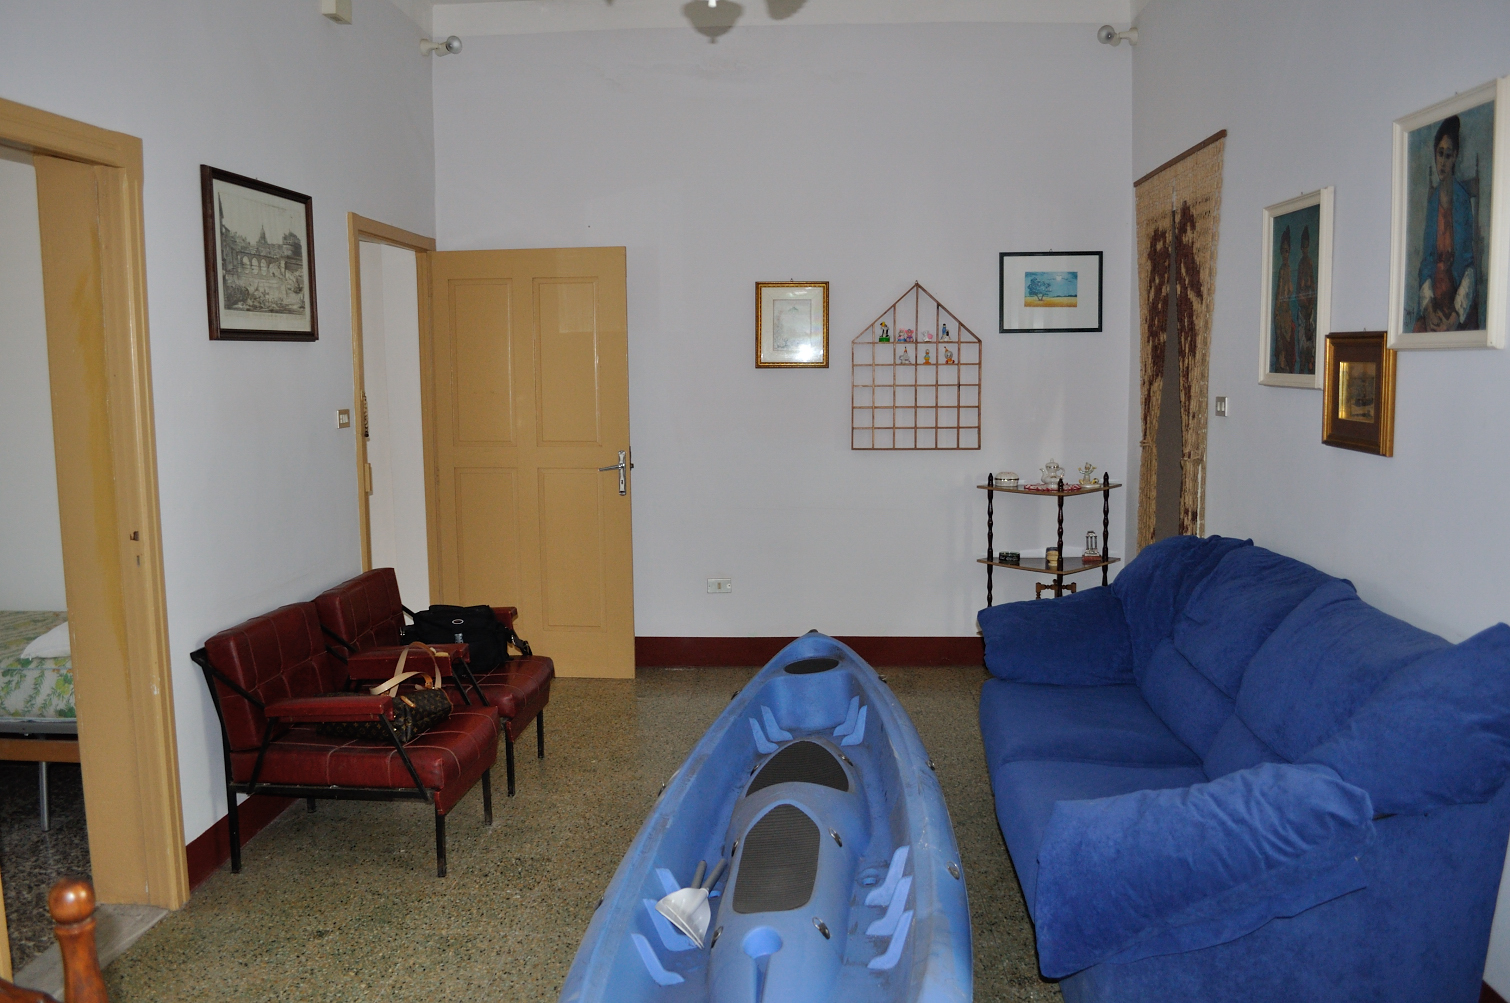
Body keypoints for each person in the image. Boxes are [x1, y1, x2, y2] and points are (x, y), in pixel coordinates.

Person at [1414, 115, 1477, 333]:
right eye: (1439, 154)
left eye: (1448, 155)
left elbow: (1468, 265)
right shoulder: (1433, 203)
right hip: (1435, 299)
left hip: (1456, 296)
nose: (1442, 162)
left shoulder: (1462, 200)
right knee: (1419, 331)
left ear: (1455, 157)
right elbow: (1426, 262)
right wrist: (1429, 308)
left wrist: (1456, 316)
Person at [1271, 226, 1296, 372]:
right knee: (1281, 348)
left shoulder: (1288, 269)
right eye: (1283, 251)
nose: (1285, 254)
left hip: (1286, 314)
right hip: (1281, 314)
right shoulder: (1282, 269)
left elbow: (1290, 290)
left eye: (1287, 251)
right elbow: (1279, 293)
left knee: (1288, 349)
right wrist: (1276, 312)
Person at [1294, 225, 1318, 373]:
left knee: (1310, 348)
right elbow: (1298, 289)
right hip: (1303, 311)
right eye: (1303, 246)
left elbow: (1312, 286)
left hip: (1309, 310)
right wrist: (1304, 302)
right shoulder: (1301, 264)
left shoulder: (1309, 262)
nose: (1305, 249)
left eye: (1306, 246)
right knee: (1302, 349)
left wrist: (1310, 305)